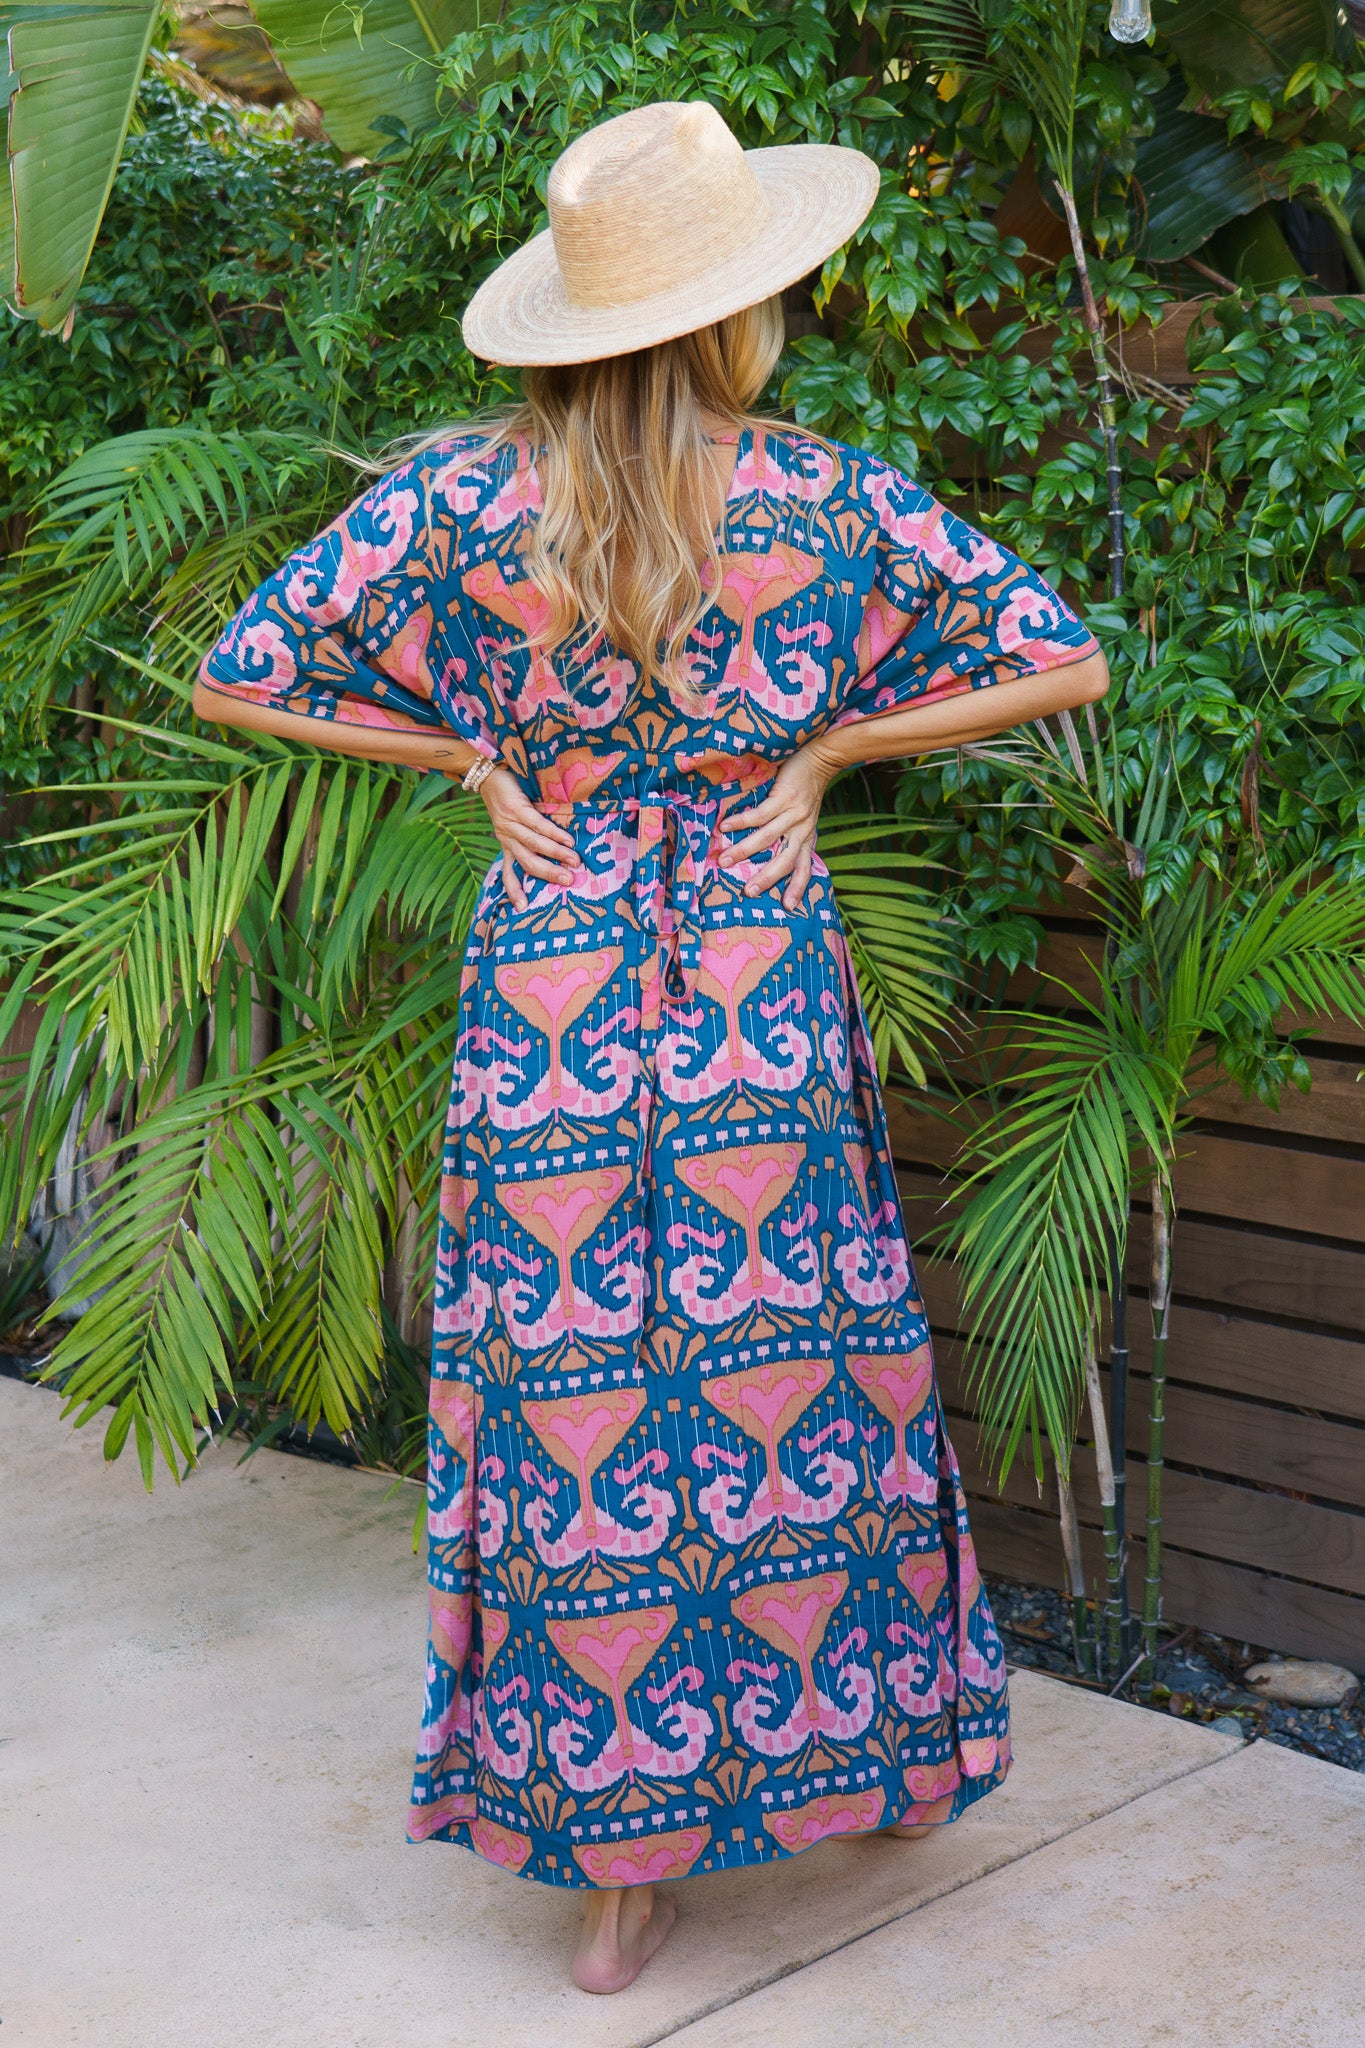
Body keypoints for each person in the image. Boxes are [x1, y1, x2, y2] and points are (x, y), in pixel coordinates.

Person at [197, 99, 1108, 1996]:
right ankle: (861, 1759)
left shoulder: (456, 503)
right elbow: (1062, 653)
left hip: (550, 990)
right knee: (803, 1374)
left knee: (574, 1405)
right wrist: (824, 751)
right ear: (733, 310)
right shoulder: (818, 499)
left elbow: (243, 676)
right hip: (755, 977)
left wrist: (471, 758)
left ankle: (614, 1883)